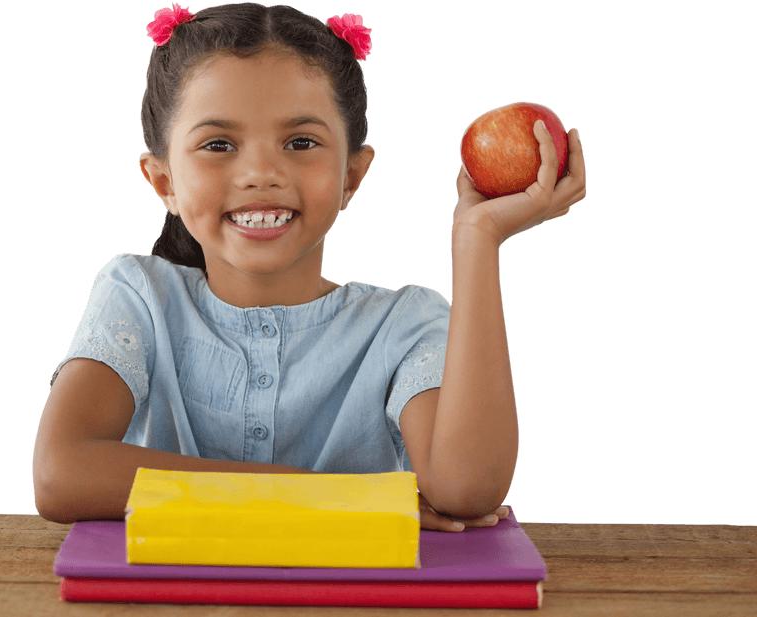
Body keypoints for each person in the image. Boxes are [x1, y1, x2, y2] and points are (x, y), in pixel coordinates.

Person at [32, 2, 587, 531]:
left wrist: (477, 240)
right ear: (164, 182)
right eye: (219, 144)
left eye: (301, 141)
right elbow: (60, 475)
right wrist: (325, 497)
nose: (261, 173)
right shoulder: (139, 295)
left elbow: (466, 490)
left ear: (352, 176)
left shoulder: (404, 325)